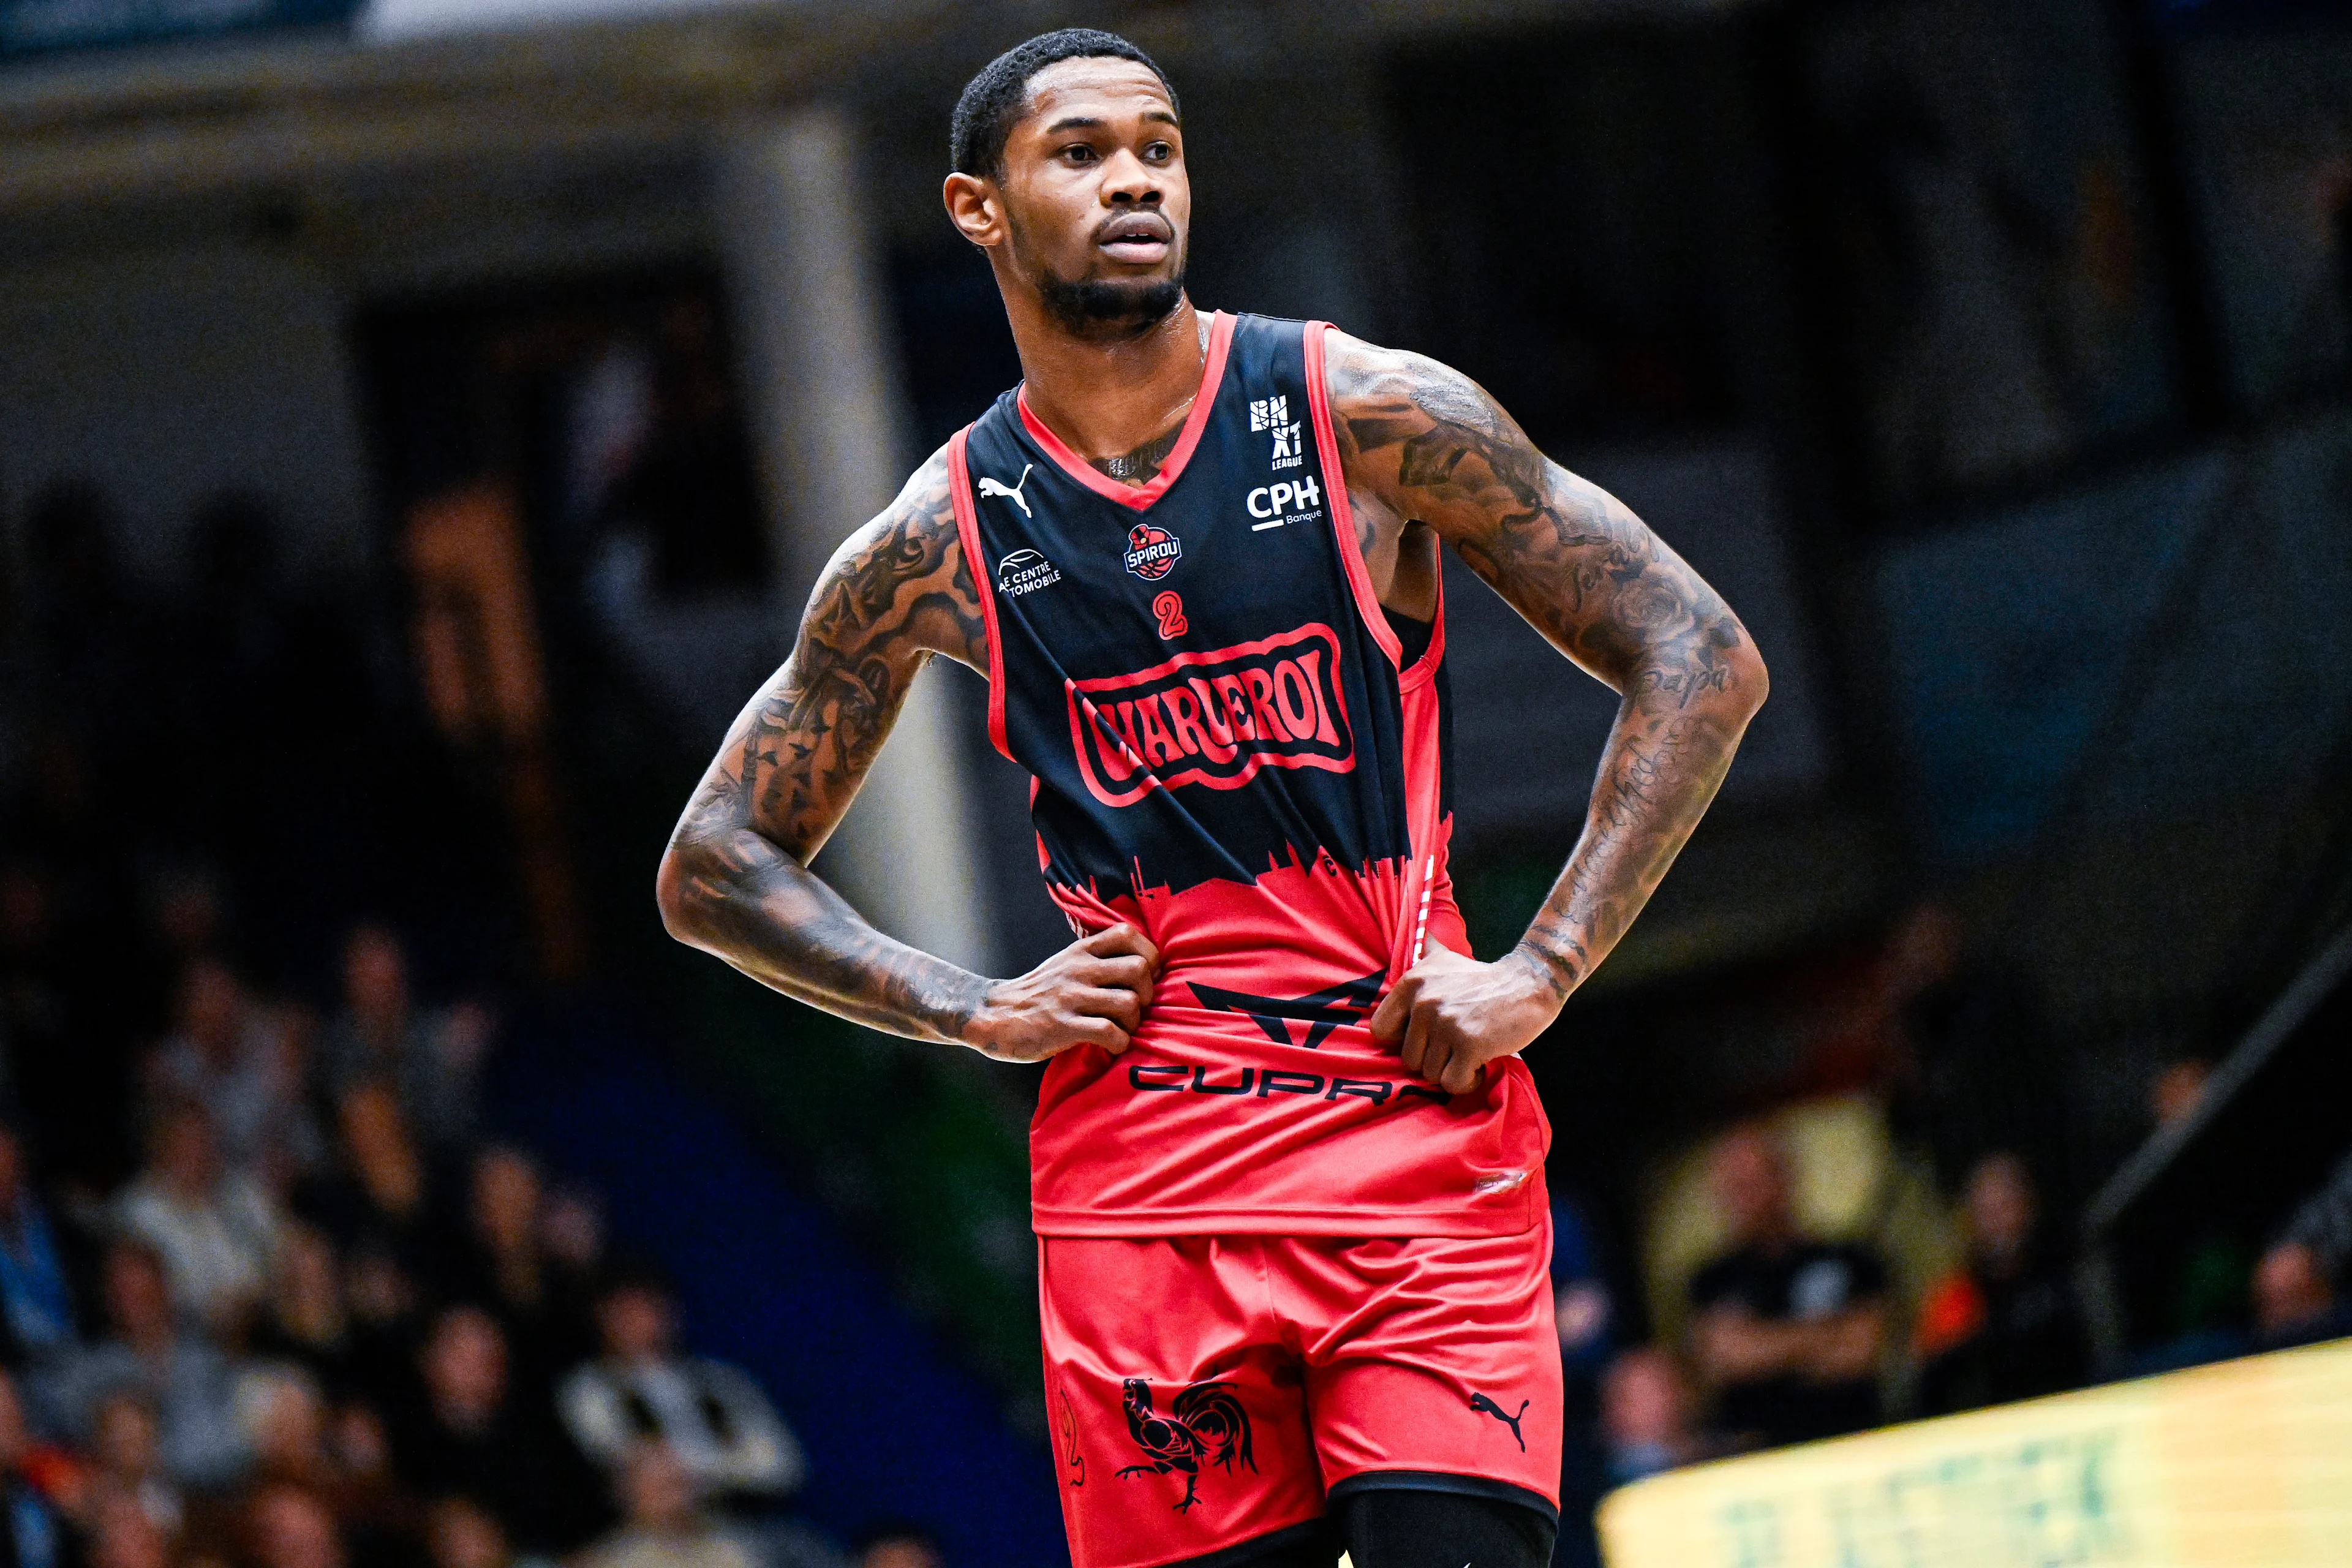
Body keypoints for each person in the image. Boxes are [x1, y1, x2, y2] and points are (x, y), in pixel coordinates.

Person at [654, 28, 1768, 1568]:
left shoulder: (1368, 414)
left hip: (1407, 1137)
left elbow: (1698, 652)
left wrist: (1542, 965)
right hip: (1145, 1200)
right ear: (976, 208)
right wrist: (962, 1006)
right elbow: (710, 862)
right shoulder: (934, 536)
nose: (1133, 180)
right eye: (1080, 152)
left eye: (1157, 148)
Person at [1687, 1126, 1888, 1450]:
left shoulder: (1852, 1260)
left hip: (1851, 1442)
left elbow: (1861, 1351)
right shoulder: (1711, 1282)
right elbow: (1725, 1359)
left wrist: (1759, 1344)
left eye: (1753, 1184)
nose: (1744, 1201)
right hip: (1755, 1455)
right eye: (1733, 1189)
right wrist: (1825, 1335)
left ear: (1783, 1177)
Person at [556, 1268, 801, 1513]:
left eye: (651, 1306)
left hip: (744, 1520)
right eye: (626, 1310)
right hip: (648, 1533)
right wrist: (722, 1467)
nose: (642, 1320)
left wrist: (698, 1474)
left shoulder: (721, 1380)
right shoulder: (590, 1388)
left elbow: (780, 1465)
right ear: (601, 1317)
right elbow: (630, 1468)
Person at [385, 1306, 603, 1555]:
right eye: (464, 1355)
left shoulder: (538, 1429)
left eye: (488, 1354)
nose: (481, 1367)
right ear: (428, 1361)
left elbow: (583, 1513)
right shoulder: (406, 1444)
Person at [43, 1240, 251, 1491]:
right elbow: (72, 1438)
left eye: (142, 1292)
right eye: (122, 1294)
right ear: (107, 1299)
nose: (132, 1304)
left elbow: (236, 1432)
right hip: (137, 1501)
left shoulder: (204, 1355)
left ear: (164, 1289)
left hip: (222, 1486)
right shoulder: (87, 1372)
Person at [1913, 1153, 2089, 1415]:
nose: (1997, 1222)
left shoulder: (2072, 1271)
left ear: (2029, 1205)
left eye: (2007, 1205)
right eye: (1986, 1211)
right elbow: (1931, 1395)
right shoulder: (1956, 1298)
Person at [113, 1102, 282, 1335]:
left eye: (205, 1140)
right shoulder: (139, 1212)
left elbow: (279, 1254)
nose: (199, 1151)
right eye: (186, 1141)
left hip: (266, 1321)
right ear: (162, 1147)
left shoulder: (246, 1194)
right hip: (189, 1335)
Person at [315, 928, 486, 1156]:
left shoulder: (436, 1033)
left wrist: (459, 1067)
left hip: (440, 1161)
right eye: (369, 977)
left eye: (388, 976)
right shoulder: (335, 1047)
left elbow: (453, 1125)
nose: (382, 989)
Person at [577, 1445, 758, 1568]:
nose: (676, 1499)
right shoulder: (611, 1560)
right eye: (662, 1488)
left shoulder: (728, 1550)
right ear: (628, 1494)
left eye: (679, 1485)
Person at [0, 1123, 78, 1370]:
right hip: (17, 1369)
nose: (4, 1176)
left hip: (78, 1349)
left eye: (9, 1164)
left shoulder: (56, 1218)